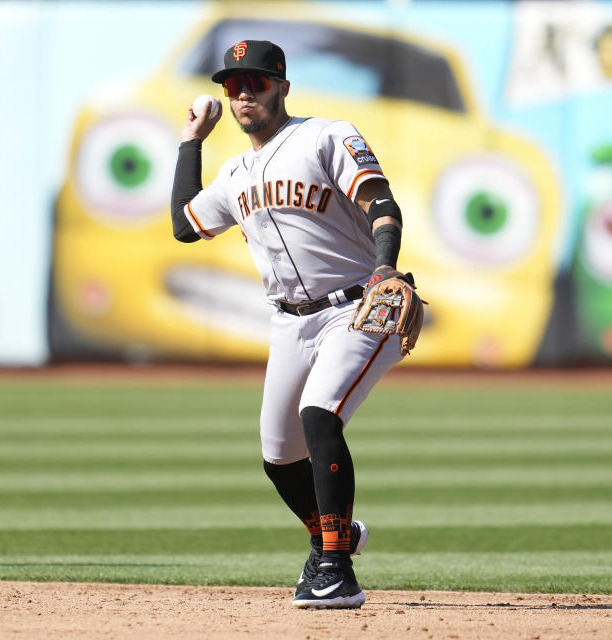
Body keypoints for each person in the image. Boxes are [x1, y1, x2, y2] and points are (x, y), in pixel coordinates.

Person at [170, 39, 412, 609]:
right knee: (279, 456)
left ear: (282, 85)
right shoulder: (235, 173)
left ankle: (335, 569)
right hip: (289, 324)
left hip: (358, 306)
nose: (243, 91)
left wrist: (384, 267)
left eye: (255, 81)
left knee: (319, 415)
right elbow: (185, 227)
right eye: (233, 84)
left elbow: (382, 205)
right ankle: (336, 536)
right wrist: (189, 143)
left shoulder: (327, 135)